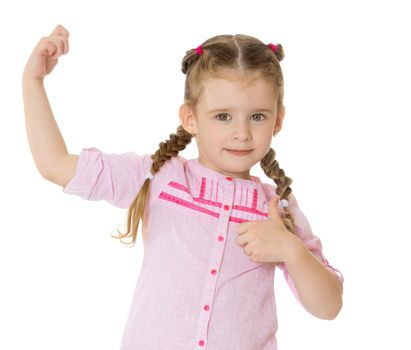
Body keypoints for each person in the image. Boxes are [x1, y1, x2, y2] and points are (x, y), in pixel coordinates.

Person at [23, 24, 345, 350]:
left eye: (258, 116)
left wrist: (291, 250)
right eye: (223, 116)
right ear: (190, 118)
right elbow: (55, 164)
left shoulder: (277, 210)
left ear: (278, 120)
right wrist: (33, 81)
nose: (242, 132)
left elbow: (329, 305)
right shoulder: (158, 177)